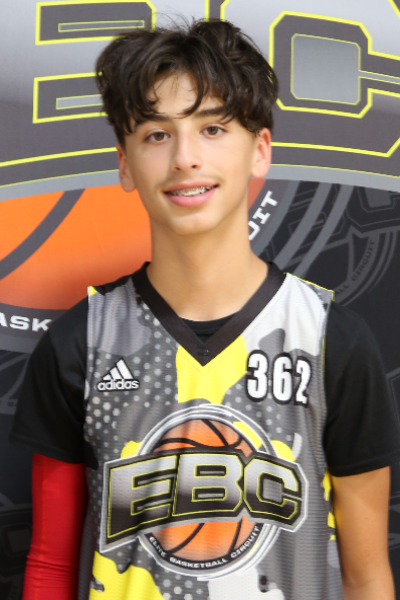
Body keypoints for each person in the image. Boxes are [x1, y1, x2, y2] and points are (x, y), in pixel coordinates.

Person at [10, 18, 400, 600]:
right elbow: (50, 566)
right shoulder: (81, 342)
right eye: (156, 135)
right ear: (124, 163)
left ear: (259, 150)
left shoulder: (329, 339)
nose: (185, 157)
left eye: (213, 128)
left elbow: (366, 574)